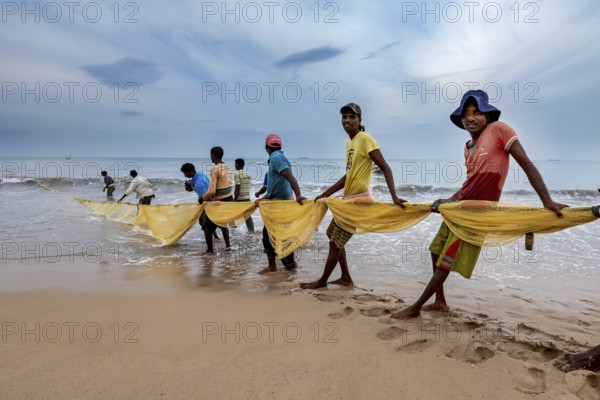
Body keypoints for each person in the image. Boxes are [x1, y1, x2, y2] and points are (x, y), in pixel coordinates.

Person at [390, 90, 568, 320]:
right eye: (465, 114)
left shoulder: (500, 130)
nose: (471, 118)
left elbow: (526, 164)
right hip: (461, 208)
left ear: (488, 115)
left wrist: (546, 200)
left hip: (478, 212)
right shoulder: (467, 147)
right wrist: (449, 200)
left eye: (477, 112)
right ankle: (440, 302)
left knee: (446, 261)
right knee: (435, 251)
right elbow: (471, 182)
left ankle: (415, 308)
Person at [300, 103, 407, 289]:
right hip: (347, 200)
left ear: (360, 120)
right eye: (344, 117)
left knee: (335, 243)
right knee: (331, 235)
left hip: (358, 202)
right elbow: (349, 174)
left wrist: (394, 197)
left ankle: (322, 281)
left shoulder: (365, 139)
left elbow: (386, 168)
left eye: (352, 117)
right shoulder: (350, 143)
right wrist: (326, 193)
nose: (347, 121)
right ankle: (346, 278)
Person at [256, 133, 306, 275]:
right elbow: (275, 186)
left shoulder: (276, 158)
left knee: (269, 235)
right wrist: (264, 198)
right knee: (283, 235)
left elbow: (290, 178)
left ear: (266, 148)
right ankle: (290, 265)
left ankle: (273, 267)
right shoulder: (276, 158)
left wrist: (299, 195)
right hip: (278, 202)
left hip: (281, 205)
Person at [198, 146, 233, 253]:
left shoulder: (214, 169)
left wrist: (202, 199)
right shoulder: (227, 167)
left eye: (211, 155)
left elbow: (212, 191)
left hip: (219, 202)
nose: (210, 158)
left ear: (213, 155)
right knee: (223, 224)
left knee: (207, 227)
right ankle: (228, 246)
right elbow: (226, 185)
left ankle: (210, 250)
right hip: (229, 199)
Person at [234, 158, 255, 233]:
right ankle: (251, 231)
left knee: (235, 215)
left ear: (238, 164)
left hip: (240, 199)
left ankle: (234, 232)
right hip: (247, 198)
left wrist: (235, 200)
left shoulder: (237, 174)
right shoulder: (248, 174)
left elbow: (237, 188)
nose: (235, 165)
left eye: (235, 164)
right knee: (248, 216)